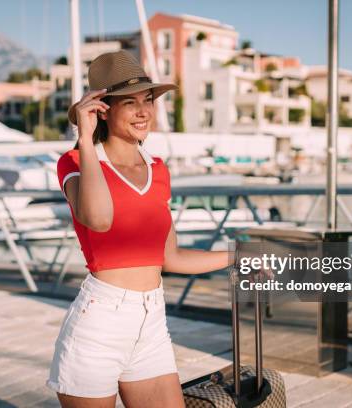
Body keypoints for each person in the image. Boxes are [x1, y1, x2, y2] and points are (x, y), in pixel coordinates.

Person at [46, 50, 231, 408]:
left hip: (152, 323)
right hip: (99, 324)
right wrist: (85, 139)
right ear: (102, 108)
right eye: (129, 103)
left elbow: (170, 257)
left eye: (147, 100)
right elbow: (98, 219)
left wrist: (238, 255)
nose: (143, 111)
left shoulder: (158, 170)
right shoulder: (75, 162)